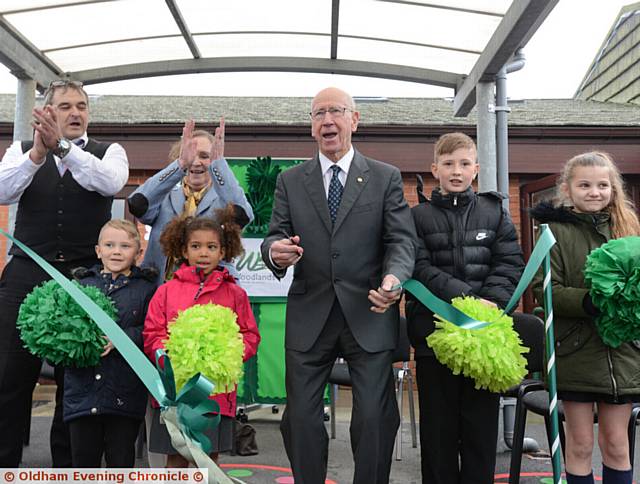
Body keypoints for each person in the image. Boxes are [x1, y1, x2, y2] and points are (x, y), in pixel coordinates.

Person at [260, 87, 416, 484]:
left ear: (355, 119)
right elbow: (274, 235)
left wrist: (395, 279)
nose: (327, 120)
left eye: (336, 112)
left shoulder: (384, 177)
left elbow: (400, 240)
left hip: (370, 310)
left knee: (374, 417)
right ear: (312, 127)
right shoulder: (291, 181)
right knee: (300, 419)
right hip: (309, 313)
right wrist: (274, 251)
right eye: (318, 114)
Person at [0, 79, 129, 467]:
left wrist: (63, 148)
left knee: (75, 380)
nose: (75, 113)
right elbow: (3, 190)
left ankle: (68, 468)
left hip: (84, 276)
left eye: (82, 106)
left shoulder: (111, 151)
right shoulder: (20, 150)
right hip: (25, 271)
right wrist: (38, 155)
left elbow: (110, 183)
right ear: (48, 112)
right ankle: (5, 462)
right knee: (9, 375)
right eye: (66, 106)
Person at [406, 132, 524, 484]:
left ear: (476, 168)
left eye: (464, 163)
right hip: (433, 341)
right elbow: (419, 268)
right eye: (448, 164)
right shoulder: (416, 217)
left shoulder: (495, 212)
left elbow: (509, 264)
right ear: (434, 169)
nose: (456, 171)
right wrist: (464, 298)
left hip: (484, 340)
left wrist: (491, 304)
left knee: (480, 434)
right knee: (438, 435)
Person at [531, 152, 640, 484]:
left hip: (622, 355)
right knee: (578, 446)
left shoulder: (629, 227)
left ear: (613, 188)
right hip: (575, 354)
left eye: (602, 185)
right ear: (568, 189)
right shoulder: (553, 232)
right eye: (585, 185)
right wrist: (592, 301)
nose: (595, 192)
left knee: (617, 445)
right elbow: (545, 289)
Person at [143, 207, 260, 467]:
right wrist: (169, 358)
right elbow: (153, 333)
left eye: (211, 247)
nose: (203, 253)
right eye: (196, 246)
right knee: (175, 458)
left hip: (215, 394)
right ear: (184, 251)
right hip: (175, 393)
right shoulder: (166, 291)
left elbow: (249, 335)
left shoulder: (234, 294)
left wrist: (227, 356)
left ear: (223, 251)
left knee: (207, 459)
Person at [64, 219, 156, 467]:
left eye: (125, 246)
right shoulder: (80, 286)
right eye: (110, 245)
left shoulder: (147, 290)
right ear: (98, 250)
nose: (117, 251)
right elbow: (61, 329)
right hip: (81, 394)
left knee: (121, 462)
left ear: (138, 252)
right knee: (83, 465)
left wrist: (122, 339)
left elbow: (152, 331)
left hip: (124, 394)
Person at [128, 119, 253, 285]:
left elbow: (243, 215)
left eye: (204, 156)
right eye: (191, 155)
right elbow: (137, 203)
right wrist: (179, 165)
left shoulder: (224, 199)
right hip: (160, 293)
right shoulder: (164, 197)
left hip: (211, 295)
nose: (196, 162)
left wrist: (218, 166)